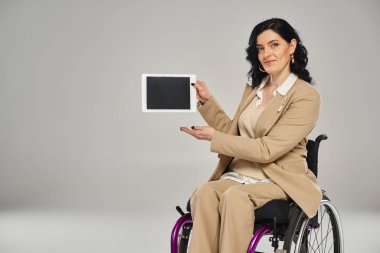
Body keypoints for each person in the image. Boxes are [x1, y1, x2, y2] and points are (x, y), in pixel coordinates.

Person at [180, 18, 322, 253]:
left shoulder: (305, 96)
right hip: (241, 174)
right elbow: (234, 135)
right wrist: (206, 100)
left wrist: (214, 138)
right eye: (260, 48)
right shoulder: (256, 90)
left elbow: (267, 150)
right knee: (205, 193)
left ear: (292, 46)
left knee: (235, 197)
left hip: (279, 178)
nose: (266, 53)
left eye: (274, 45)